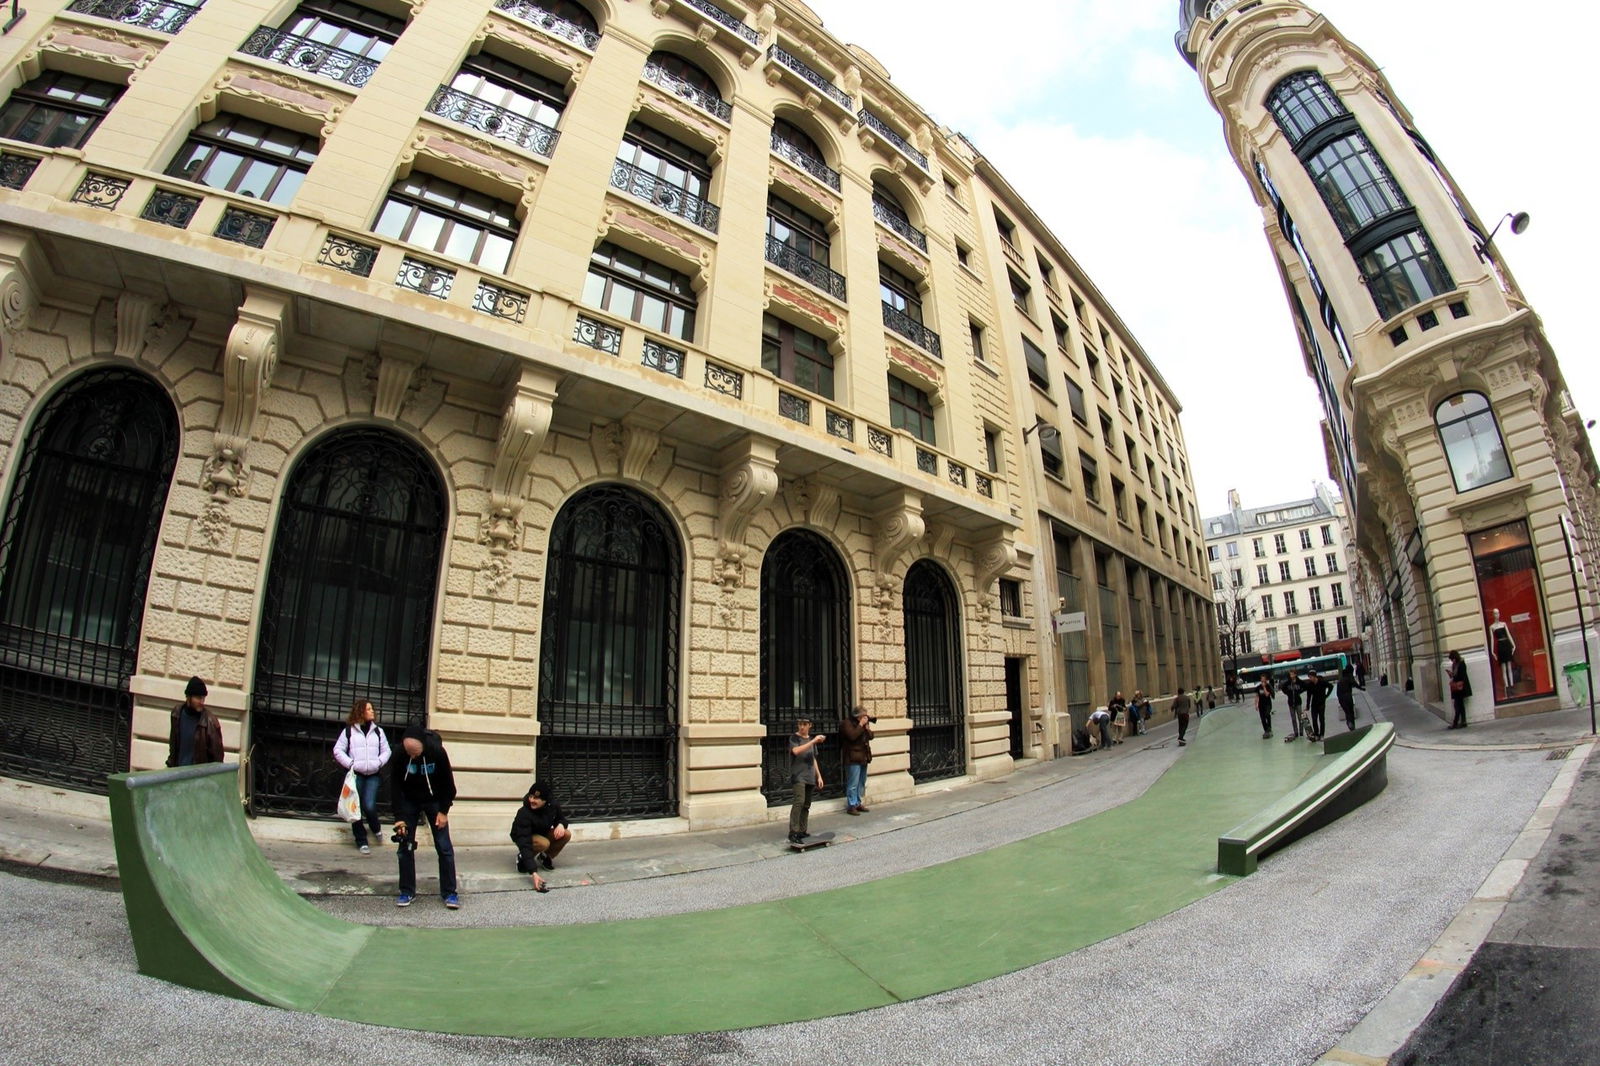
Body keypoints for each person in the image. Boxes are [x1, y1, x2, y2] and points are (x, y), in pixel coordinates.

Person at [391, 724, 459, 909]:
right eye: (409, 753)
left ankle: (450, 893)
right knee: (405, 846)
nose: (412, 757)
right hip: (409, 801)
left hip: (435, 800)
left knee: (444, 846)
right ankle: (407, 891)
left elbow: (449, 786)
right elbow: (395, 786)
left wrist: (443, 812)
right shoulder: (399, 754)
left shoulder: (437, 752)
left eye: (416, 754)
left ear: (423, 747)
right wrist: (399, 817)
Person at [332, 698, 390, 853]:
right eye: (369, 709)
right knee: (355, 807)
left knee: (369, 805)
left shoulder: (378, 731)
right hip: (356, 775)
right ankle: (361, 840)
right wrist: (351, 764)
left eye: (372, 709)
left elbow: (386, 751)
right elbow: (338, 750)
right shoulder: (349, 731)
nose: (372, 711)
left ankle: (375, 827)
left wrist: (378, 763)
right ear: (361, 711)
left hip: (373, 774)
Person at [509, 780, 568, 892]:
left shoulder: (553, 805)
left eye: (536, 798)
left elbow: (562, 819)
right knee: (543, 843)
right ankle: (521, 858)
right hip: (524, 836)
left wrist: (561, 824)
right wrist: (533, 872)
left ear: (545, 800)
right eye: (530, 796)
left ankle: (544, 856)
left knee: (565, 834)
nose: (531, 800)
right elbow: (524, 841)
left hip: (542, 831)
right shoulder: (524, 813)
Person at [167, 676, 223, 767]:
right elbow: (173, 745)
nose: (201, 702)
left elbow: (217, 758)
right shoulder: (177, 714)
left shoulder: (210, 722)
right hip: (177, 774)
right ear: (188, 697)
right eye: (198, 698)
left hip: (198, 777)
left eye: (203, 698)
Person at [787, 717, 825, 844]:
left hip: (809, 776)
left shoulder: (811, 740)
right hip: (798, 776)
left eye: (804, 724)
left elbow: (813, 758)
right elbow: (796, 751)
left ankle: (802, 830)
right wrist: (813, 741)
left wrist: (818, 776)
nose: (801, 727)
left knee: (806, 804)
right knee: (799, 801)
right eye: (799, 724)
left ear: (810, 725)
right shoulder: (794, 738)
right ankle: (793, 831)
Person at [840, 707, 874, 815]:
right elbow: (852, 736)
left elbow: (871, 737)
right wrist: (860, 725)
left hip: (863, 756)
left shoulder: (863, 725)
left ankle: (858, 803)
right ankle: (851, 805)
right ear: (857, 716)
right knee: (853, 783)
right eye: (863, 715)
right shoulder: (847, 723)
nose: (865, 717)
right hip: (852, 757)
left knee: (861, 782)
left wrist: (867, 728)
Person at [1304, 670, 1332, 742]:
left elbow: (1330, 686)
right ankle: (1316, 734)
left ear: (1314, 676)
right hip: (1314, 704)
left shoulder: (1322, 682)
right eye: (1309, 677)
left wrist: (1327, 695)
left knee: (1321, 719)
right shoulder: (1310, 685)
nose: (1310, 679)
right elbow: (1309, 696)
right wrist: (1307, 706)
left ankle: (1322, 734)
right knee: (1314, 719)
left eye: (1310, 677)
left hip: (1321, 703)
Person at [1447, 650, 1471, 729]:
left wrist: (1455, 676)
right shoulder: (1454, 664)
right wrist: (1451, 674)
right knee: (1460, 705)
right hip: (1457, 688)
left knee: (1457, 705)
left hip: (1460, 687)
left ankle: (1455, 723)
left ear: (1455, 657)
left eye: (1452, 659)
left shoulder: (1461, 663)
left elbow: (1463, 675)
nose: (1452, 661)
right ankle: (1463, 721)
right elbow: (1455, 675)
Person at [1336, 665, 1364, 731]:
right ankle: (1352, 725)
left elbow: (1337, 693)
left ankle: (1349, 723)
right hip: (1348, 696)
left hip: (1341, 698)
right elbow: (1355, 684)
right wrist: (1361, 688)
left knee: (1347, 712)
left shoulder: (1339, 682)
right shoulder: (1349, 679)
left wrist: (1340, 700)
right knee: (1351, 712)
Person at [1255, 675, 1275, 739]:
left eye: (1264, 679)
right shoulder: (1258, 687)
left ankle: (1269, 728)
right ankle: (1266, 730)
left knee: (1267, 714)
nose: (1262, 680)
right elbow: (1257, 696)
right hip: (1261, 705)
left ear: (1266, 680)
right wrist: (1256, 704)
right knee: (1262, 718)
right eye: (1261, 679)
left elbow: (1267, 695)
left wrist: (1264, 688)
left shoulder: (1268, 686)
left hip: (1268, 704)